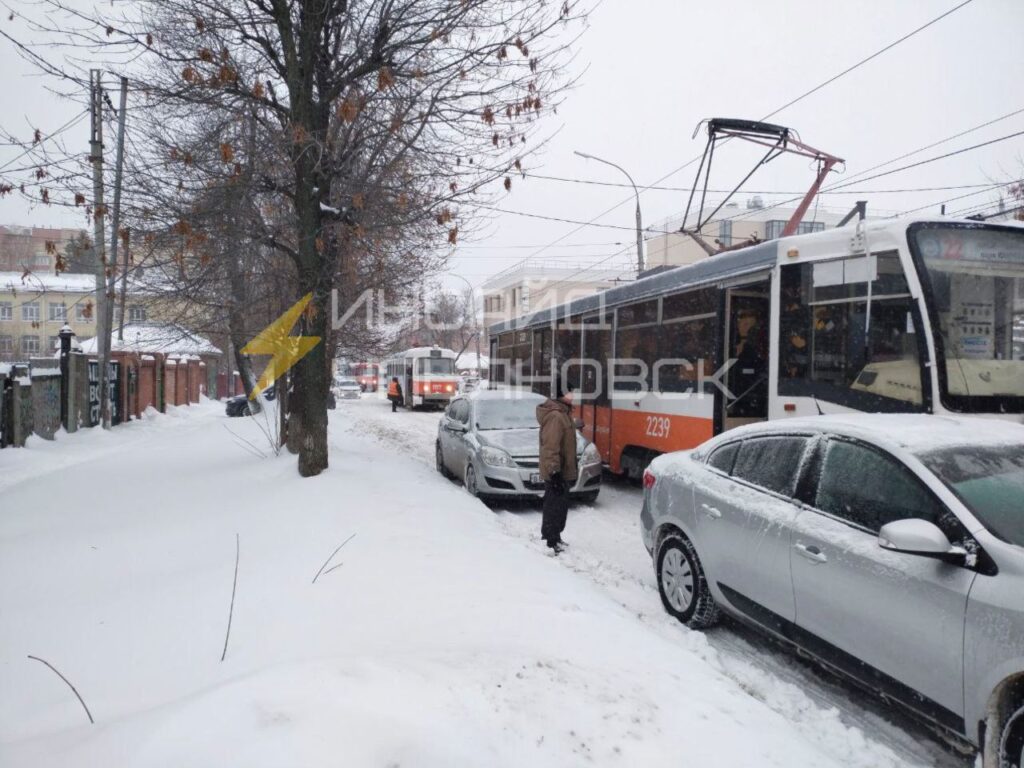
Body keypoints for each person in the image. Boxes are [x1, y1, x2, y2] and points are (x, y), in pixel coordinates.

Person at [536, 379, 577, 554]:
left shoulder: (563, 413)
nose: (573, 395)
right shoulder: (555, 416)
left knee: (560, 506)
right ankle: (551, 540)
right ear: (561, 394)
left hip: (562, 470)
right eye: (570, 392)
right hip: (556, 472)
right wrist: (554, 472)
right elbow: (550, 447)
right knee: (554, 506)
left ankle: (556, 537)